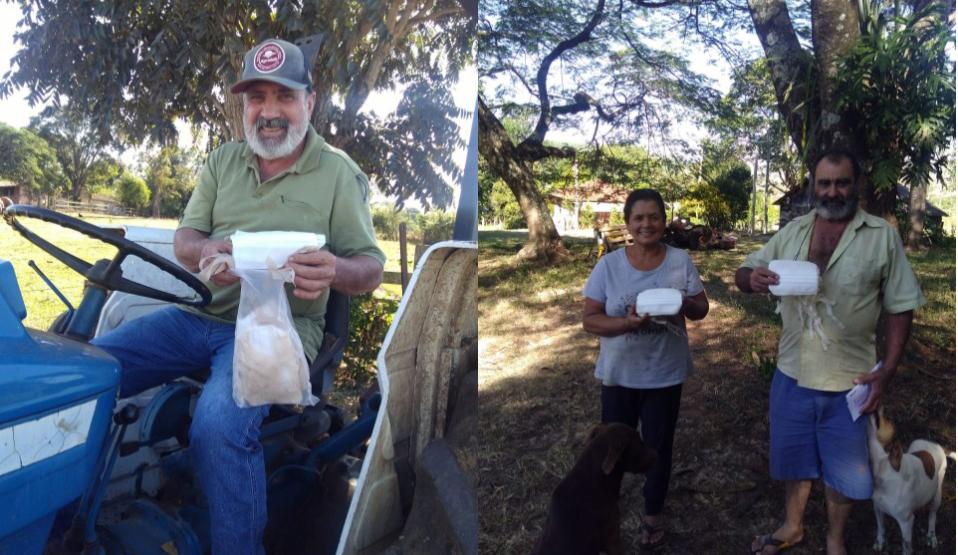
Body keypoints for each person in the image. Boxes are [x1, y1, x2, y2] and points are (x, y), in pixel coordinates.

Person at [91, 38, 385, 555]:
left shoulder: (338, 174)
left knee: (219, 426)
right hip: (197, 315)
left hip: (278, 328)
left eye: (284, 97)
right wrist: (205, 249)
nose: (269, 112)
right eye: (256, 98)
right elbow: (185, 239)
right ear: (243, 106)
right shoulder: (222, 161)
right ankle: (73, 519)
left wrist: (336, 269)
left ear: (309, 103)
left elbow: (371, 268)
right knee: (90, 372)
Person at [736, 150, 925, 555]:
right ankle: (792, 526)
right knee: (795, 459)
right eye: (824, 183)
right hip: (792, 371)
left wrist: (887, 371)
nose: (832, 190)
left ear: (856, 185)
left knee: (845, 470)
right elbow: (744, 271)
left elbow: (900, 306)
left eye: (841, 182)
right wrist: (751, 278)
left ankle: (834, 538)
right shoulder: (794, 231)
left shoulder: (881, 235)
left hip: (850, 379)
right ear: (813, 186)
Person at [581, 188, 709, 550]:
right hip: (620, 374)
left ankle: (653, 515)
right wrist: (626, 324)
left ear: (664, 221)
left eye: (654, 217)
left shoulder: (680, 261)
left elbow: (702, 308)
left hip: (664, 374)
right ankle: (608, 511)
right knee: (612, 450)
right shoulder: (609, 265)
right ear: (627, 224)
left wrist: (682, 302)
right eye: (638, 218)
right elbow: (590, 320)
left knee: (657, 448)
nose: (646, 224)